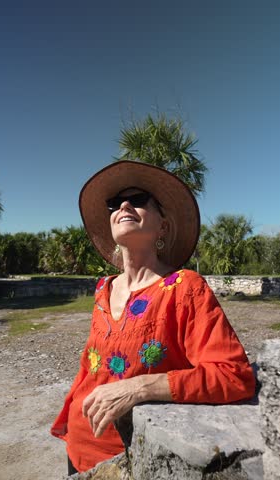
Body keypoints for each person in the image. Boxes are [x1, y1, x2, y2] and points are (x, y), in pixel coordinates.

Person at [51, 161, 256, 474]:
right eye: (114, 203)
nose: (123, 205)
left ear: (163, 226)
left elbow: (233, 376)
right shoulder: (103, 289)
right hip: (78, 447)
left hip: (131, 458)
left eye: (138, 200)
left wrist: (140, 387)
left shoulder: (184, 287)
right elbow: (90, 367)